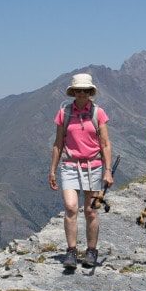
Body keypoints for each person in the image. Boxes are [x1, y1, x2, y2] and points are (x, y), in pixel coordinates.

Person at [49, 73, 114, 270]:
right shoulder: (64, 113)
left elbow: (105, 143)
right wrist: (52, 170)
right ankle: (71, 250)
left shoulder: (98, 113)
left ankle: (91, 251)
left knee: (91, 211)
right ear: (73, 92)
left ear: (90, 92)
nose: (82, 94)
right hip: (69, 165)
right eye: (79, 90)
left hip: (93, 166)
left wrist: (108, 170)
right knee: (70, 207)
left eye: (86, 91)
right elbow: (58, 143)